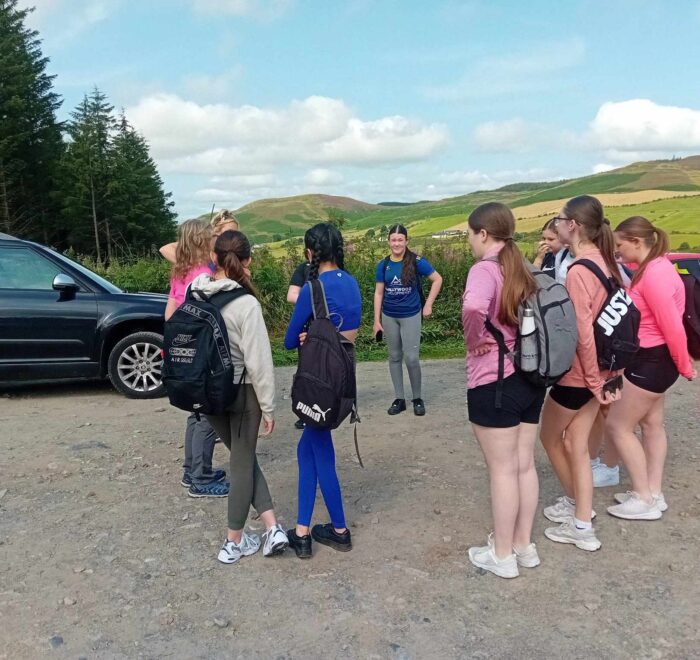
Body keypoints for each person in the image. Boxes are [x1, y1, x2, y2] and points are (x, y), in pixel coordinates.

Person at [190, 230, 288, 564]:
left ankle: (273, 527)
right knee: (242, 461)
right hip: (242, 392)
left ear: (214, 258)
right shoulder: (246, 304)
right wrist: (269, 406)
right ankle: (233, 541)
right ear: (245, 261)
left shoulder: (195, 291)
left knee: (243, 459)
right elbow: (259, 362)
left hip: (207, 393)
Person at [462, 202, 547, 579]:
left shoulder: (484, 269)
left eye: (469, 233)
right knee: (523, 464)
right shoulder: (521, 266)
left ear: (483, 233)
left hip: (494, 380)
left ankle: (501, 556)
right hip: (530, 377)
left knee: (501, 470)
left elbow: (474, 307)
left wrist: (475, 339)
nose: (468, 241)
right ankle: (522, 546)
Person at [540, 195, 622, 552]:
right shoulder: (607, 262)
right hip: (605, 369)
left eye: (559, 219)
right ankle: (582, 519)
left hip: (580, 375)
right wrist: (602, 378)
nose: (555, 224)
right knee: (576, 444)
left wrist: (591, 380)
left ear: (572, 225)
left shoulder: (577, 271)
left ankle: (579, 512)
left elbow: (583, 332)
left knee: (549, 436)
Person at [605, 216, 696, 520]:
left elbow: (672, 325)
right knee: (652, 425)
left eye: (620, 245)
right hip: (657, 362)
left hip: (651, 361)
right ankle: (653, 493)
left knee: (618, 426)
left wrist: (685, 366)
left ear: (636, 241)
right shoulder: (655, 268)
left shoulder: (655, 274)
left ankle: (643, 498)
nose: (618, 252)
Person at [284, 223, 362, 559]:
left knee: (321, 452)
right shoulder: (353, 282)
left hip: (319, 379)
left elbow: (289, 341)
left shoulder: (312, 288)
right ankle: (302, 530)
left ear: (310, 253)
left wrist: (306, 335)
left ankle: (339, 530)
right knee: (308, 448)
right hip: (345, 376)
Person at [165, 219, 227, 498]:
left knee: (195, 412)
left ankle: (191, 470)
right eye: (209, 236)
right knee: (207, 415)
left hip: (184, 350)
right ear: (202, 241)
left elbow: (169, 314)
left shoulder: (180, 271)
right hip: (203, 351)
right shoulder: (204, 275)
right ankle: (201, 479)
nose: (214, 238)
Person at [373, 224, 443, 416]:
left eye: (400, 240)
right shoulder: (383, 265)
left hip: (411, 315)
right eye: (393, 240)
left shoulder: (417, 261)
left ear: (406, 241)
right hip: (389, 316)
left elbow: (437, 279)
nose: (396, 243)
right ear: (388, 241)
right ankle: (399, 399)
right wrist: (376, 320)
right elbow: (379, 293)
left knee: (411, 358)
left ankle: (417, 398)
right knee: (394, 357)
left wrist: (428, 304)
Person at [159, 210, 240, 264]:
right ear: (215, 232)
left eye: (236, 234)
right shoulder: (203, 244)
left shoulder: (231, 251)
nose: (232, 237)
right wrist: (189, 266)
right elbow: (165, 249)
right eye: (228, 232)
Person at [287, 260, 312, 430]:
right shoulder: (303, 268)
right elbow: (291, 295)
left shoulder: (335, 269)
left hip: (329, 325)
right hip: (307, 325)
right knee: (306, 371)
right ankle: (305, 413)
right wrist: (315, 302)